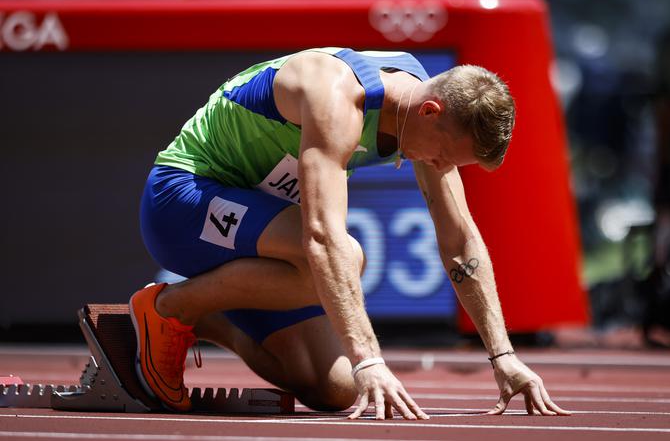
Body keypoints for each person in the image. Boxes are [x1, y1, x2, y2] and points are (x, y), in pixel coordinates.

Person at [129, 47, 570, 419]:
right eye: (443, 156)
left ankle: (208, 316)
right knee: (345, 257)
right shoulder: (337, 97)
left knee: (337, 389)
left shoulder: (420, 107)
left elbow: (459, 240)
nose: (440, 167)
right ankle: (168, 307)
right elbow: (321, 236)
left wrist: (503, 355)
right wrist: (370, 360)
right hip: (181, 203)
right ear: (431, 111)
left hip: (258, 243)